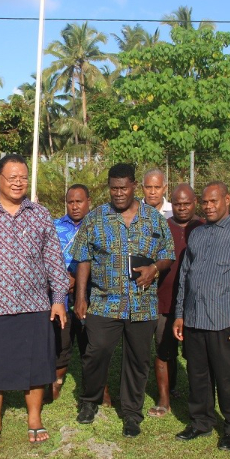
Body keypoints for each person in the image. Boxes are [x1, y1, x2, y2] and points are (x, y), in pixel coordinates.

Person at [0, 154, 68, 446]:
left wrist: (58, 298)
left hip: (34, 305)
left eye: (23, 177)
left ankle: (35, 418)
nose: (18, 183)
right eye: (12, 177)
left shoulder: (40, 214)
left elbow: (54, 259)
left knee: (35, 364)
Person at [72, 164, 175, 438]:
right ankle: (90, 401)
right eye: (114, 188)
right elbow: (83, 258)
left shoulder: (154, 219)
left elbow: (168, 254)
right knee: (96, 352)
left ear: (134, 187)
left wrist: (155, 268)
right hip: (105, 302)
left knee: (138, 360)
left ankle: (131, 413)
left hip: (142, 303)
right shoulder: (95, 218)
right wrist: (81, 297)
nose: (118, 193)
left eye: (123, 188)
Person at [173, 182, 230, 451]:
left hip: (225, 322)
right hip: (195, 318)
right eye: (205, 202)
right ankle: (201, 421)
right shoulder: (196, 234)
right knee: (198, 375)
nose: (208, 207)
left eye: (213, 201)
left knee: (228, 378)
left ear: (227, 200)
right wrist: (179, 315)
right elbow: (184, 276)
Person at [149, 183, 202, 417]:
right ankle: (164, 399)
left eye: (186, 204)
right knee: (163, 350)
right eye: (177, 204)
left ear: (195, 202)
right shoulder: (162, 226)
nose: (181, 208)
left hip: (197, 304)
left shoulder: (203, 227)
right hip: (165, 300)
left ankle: (197, 398)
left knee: (195, 355)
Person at [51, 184, 105, 403]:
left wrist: (80, 280)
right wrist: (62, 280)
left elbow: (104, 260)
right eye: (70, 202)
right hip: (60, 296)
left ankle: (97, 388)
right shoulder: (54, 226)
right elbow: (47, 257)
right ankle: (56, 383)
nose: (74, 206)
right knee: (61, 340)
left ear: (88, 201)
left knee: (90, 341)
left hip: (91, 295)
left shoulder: (98, 227)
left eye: (79, 201)